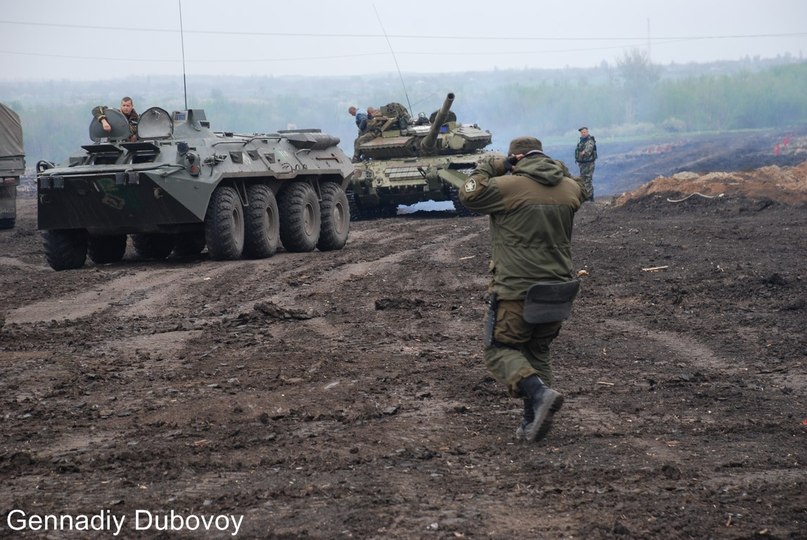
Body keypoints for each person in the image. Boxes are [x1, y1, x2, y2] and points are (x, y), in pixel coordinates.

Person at [457, 136, 586, 443]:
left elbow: (468, 193)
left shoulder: (508, 189)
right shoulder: (571, 189)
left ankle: (539, 395)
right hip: (558, 288)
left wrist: (489, 165)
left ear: (516, 159)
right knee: (538, 350)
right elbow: (574, 183)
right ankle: (532, 422)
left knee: (500, 349)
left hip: (517, 290)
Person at [574, 126, 597, 201]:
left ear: (587, 132)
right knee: (583, 179)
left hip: (588, 164)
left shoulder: (589, 141)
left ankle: (589, 198)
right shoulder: (582, 141)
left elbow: (588, 150)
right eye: (582, 132)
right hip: (583, 164)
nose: (583, 134)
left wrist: (583, 152)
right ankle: (586, 197)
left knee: (587, 180)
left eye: (584, 132)